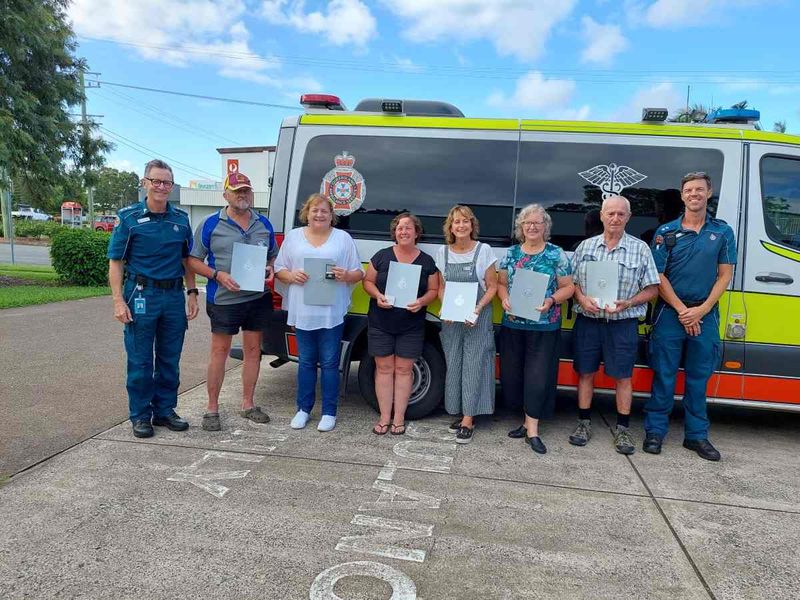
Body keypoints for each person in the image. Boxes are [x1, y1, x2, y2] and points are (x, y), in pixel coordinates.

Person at [644, 172, 736, 461]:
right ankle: (655, 432)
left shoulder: (723, 232)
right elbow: (658, 276)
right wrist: (684, 311)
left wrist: (702, 309)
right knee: (664, 376)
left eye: (699, 189)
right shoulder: (666, 232)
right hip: (672, 314)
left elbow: (725, 275)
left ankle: (696, 436)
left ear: (709, 193)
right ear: (682, 196)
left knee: (699, 379)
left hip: (704, 313)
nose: (693, 194)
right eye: (688, 190)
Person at [108, 159, 199, 438]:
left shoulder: (181, 219)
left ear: (172, 186)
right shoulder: (129, 218)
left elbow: (187, 260)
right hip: (141, 295)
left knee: (170, 358)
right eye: (156, 181)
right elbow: (115, 262)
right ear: (145, 183)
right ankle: (140, 415)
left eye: (166, 182)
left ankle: (164, 410)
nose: (161, 187)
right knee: (141, 360)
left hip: (172, 296)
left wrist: (192, 292)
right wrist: (117, 301)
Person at [569, 195, 660, 454]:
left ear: (628, 218)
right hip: (588, 321)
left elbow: (653, 288)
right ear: (601, 216)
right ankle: (583, 423)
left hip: (622, 323)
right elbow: (570, 282)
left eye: (621, 214)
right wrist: (582, 298)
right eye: (610, 213)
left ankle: (622, 430)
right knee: (585, 372)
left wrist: (629, 302)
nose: (615, 218)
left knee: (623, 376)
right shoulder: (585, 248)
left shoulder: (641, 249)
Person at [187, 172, 277, 431]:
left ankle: (248, 404)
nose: (242, 195)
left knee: (252, 352)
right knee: (220, 352)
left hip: (257, 298)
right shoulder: (210, 224)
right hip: (224, 299)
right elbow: (192, 260)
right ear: (225, 194)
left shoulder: (263, 224)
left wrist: (270, 268)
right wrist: (217, 275)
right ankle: (211, 408)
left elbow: (272, 256)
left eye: (246, 190)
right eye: (237, 191)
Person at [274, 193, 363, 432]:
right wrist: (291, 276)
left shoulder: (342, 238)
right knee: (305, 363)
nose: (319, 214)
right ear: (307, 213)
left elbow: (358, 273)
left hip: (330, 312)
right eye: (315, 210)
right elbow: (279, 269)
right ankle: (303, 409)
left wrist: (346, 275)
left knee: (330, 363)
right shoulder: (293, 237)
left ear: (331, 215)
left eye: (324, 211)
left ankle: (329, 412)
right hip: (302, 311)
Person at [498, 204, 574, 455]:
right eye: (526, 223)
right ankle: (524, 421)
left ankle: (533, 429)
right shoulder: (510, 254)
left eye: (537, 223)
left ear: (545, 227)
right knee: (515, 376)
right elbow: (501, 284)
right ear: (521, 227)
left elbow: (568, 287)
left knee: (538, 377)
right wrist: (505, 298)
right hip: (513, 324)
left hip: (545, 326)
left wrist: (552, 300)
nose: (531, 227)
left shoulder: (556, 255)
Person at [363, 213, 439, 436]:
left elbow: (434, 290)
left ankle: (399, 418)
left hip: (411, 325)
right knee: (384, 369)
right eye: (399, 228)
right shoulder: (382, 256)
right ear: (394, 233)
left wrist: (422, 301)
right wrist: (378, 295)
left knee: (404, 370)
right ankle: (384, 417)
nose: (403, 231)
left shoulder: (426, 261)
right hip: (380, 322)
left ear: (417, 233)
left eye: (408, 228)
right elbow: (367, 281)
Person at [436, 205, 497, 444]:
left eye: (465, 221)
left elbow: (492, 286)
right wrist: (446, 308)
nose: (461, 226)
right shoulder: (443, 253)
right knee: (455, 365)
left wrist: (477, 309)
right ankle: (460, 413)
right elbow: (442, 287)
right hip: (452, 320)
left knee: (474, 365)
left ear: (472, 225)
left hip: (476, 318)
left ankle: (469, 419)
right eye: (456, 222)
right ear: (450, 227)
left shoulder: (484, 251)